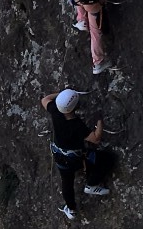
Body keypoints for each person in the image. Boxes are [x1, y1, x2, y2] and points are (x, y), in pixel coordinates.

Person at [41, 87, 110, 218]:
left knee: (67, 182)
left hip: (60, 157)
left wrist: (61, 94)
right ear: (75, 106)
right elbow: (96, 139)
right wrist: (100, 120)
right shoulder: (76, 125)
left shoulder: (55, 112)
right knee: (106, 158)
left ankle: (71, 209)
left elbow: (45, 99)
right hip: (75, 160)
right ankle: (91, 184)